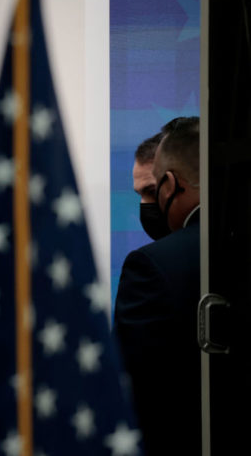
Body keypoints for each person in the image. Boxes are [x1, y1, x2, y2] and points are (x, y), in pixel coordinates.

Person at [114, 117, 201, 456]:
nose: (148, 208)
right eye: (140, 195)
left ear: (171, 183)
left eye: (153, 192)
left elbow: (133, 389)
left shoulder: (149, 267)